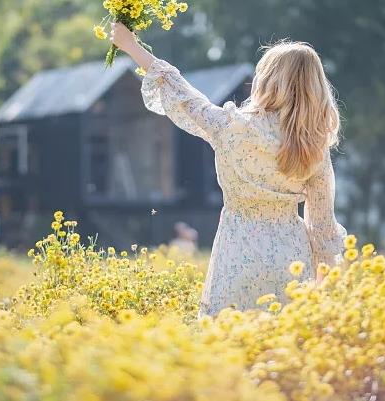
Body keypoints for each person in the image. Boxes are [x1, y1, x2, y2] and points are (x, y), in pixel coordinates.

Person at [110, 22, 347, 317]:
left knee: (229, 345)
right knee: (284, 350)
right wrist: (326, 286)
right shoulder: (314, 147)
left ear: (267, 81)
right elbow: (322, 226)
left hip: (238, 253)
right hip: (291, 260)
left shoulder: (233, 127)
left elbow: (183, 94)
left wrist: (131, 45)